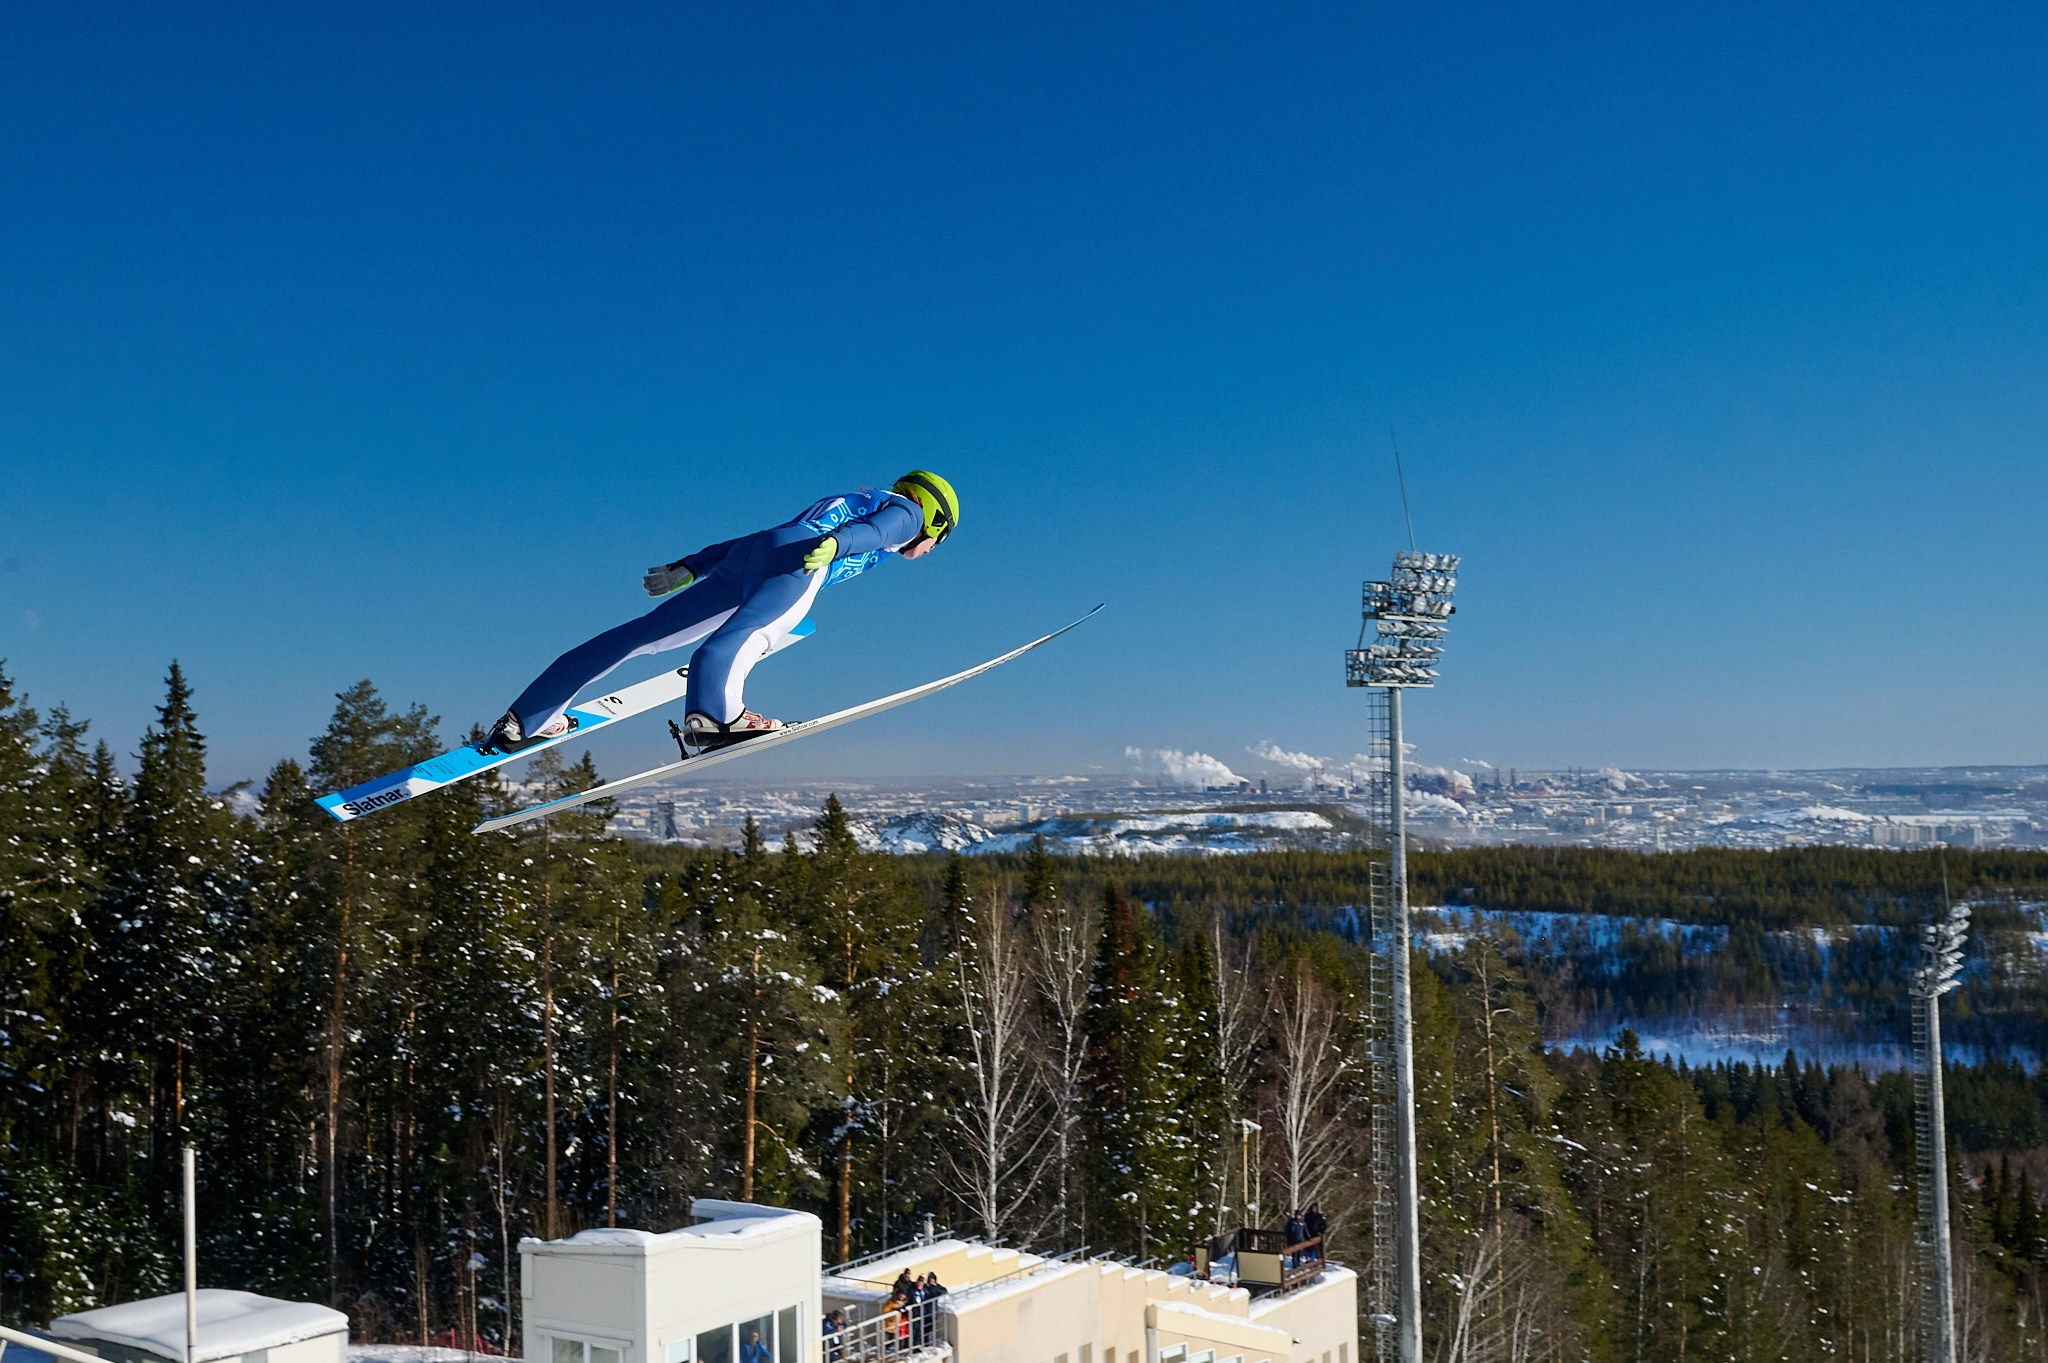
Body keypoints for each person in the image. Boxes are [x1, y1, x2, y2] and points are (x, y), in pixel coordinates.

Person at [486, 472, 961, 755]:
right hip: (803, 557)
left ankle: (528, 717)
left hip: (759, 551)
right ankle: (715, 718)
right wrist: (839, 544)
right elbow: (881, 531)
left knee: (639, 636)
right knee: (753, 633)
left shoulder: (860, 497)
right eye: (940, 540)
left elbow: (758, 540)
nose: (929, 549)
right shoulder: (907, 514)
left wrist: (693, 566)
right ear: (936, 520)